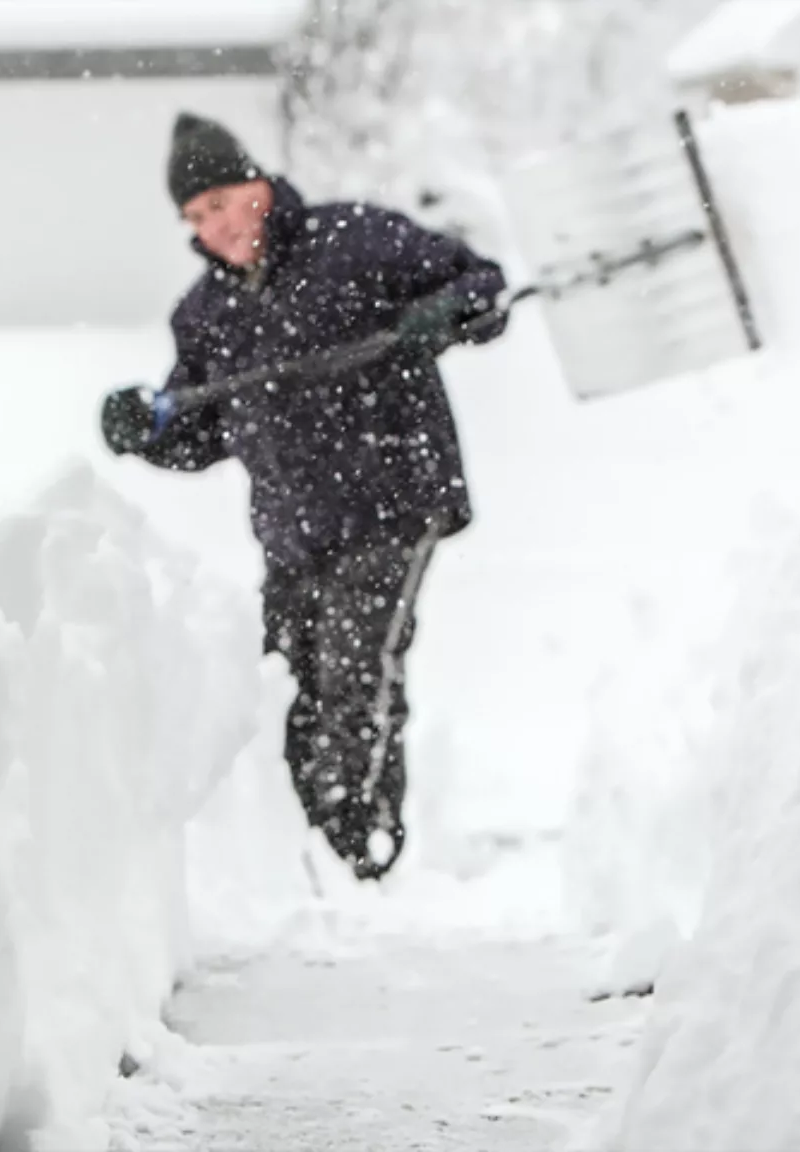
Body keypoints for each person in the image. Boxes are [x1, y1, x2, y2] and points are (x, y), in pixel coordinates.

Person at [104, 112, 510, 881]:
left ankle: (362, 839)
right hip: (294, 528)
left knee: (355, 671)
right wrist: (143, 429)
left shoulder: (356, 240)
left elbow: (482, 285)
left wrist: (444, 314)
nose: (212, 228)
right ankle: (302, 855)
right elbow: (198, 429)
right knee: (286, 680)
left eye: (219, 204)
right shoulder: (205, 313)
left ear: (256, 184)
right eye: (194, 217)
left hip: (392, 496)